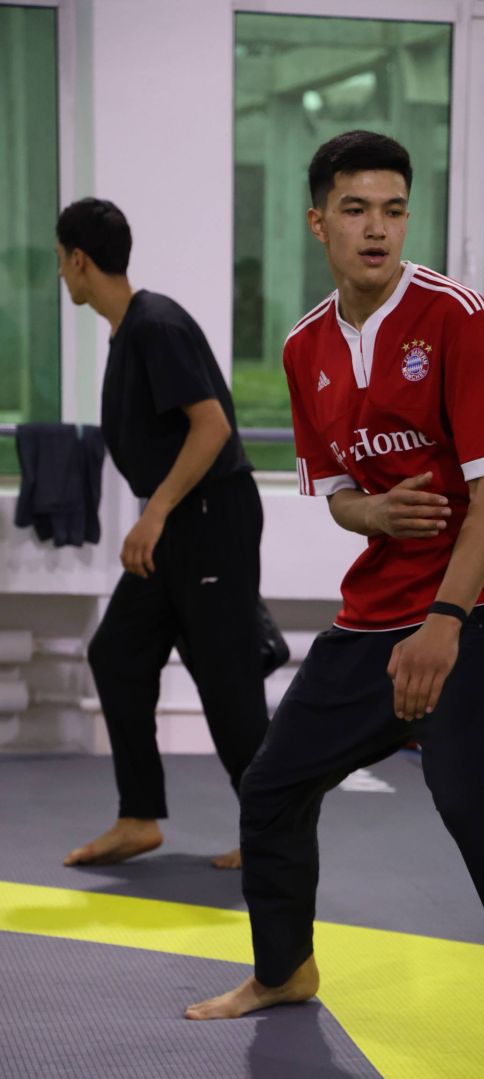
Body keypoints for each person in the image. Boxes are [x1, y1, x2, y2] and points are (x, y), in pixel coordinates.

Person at [186, 129, 484, 1079]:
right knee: (273, 785)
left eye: (392, 209)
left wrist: (445, 624)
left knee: (471, 806)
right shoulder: (303, 348)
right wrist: (369, 515)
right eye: (355, 209)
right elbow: (337, 493)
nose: (376, 228)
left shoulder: (455, 316)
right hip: (379, 605)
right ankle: (284, 969)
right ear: (318, 222)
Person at [56, 198, 267, 870]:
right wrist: (157, 515)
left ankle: (274, 832)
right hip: (178, 521)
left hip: (209, 517)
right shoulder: (132, 331)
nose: (61, 274)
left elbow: (212, 427)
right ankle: (138, 817)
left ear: (79, 260)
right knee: (118, 653)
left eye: (61, 261)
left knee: (226, 677)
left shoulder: (155, 325)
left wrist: (153, 514)